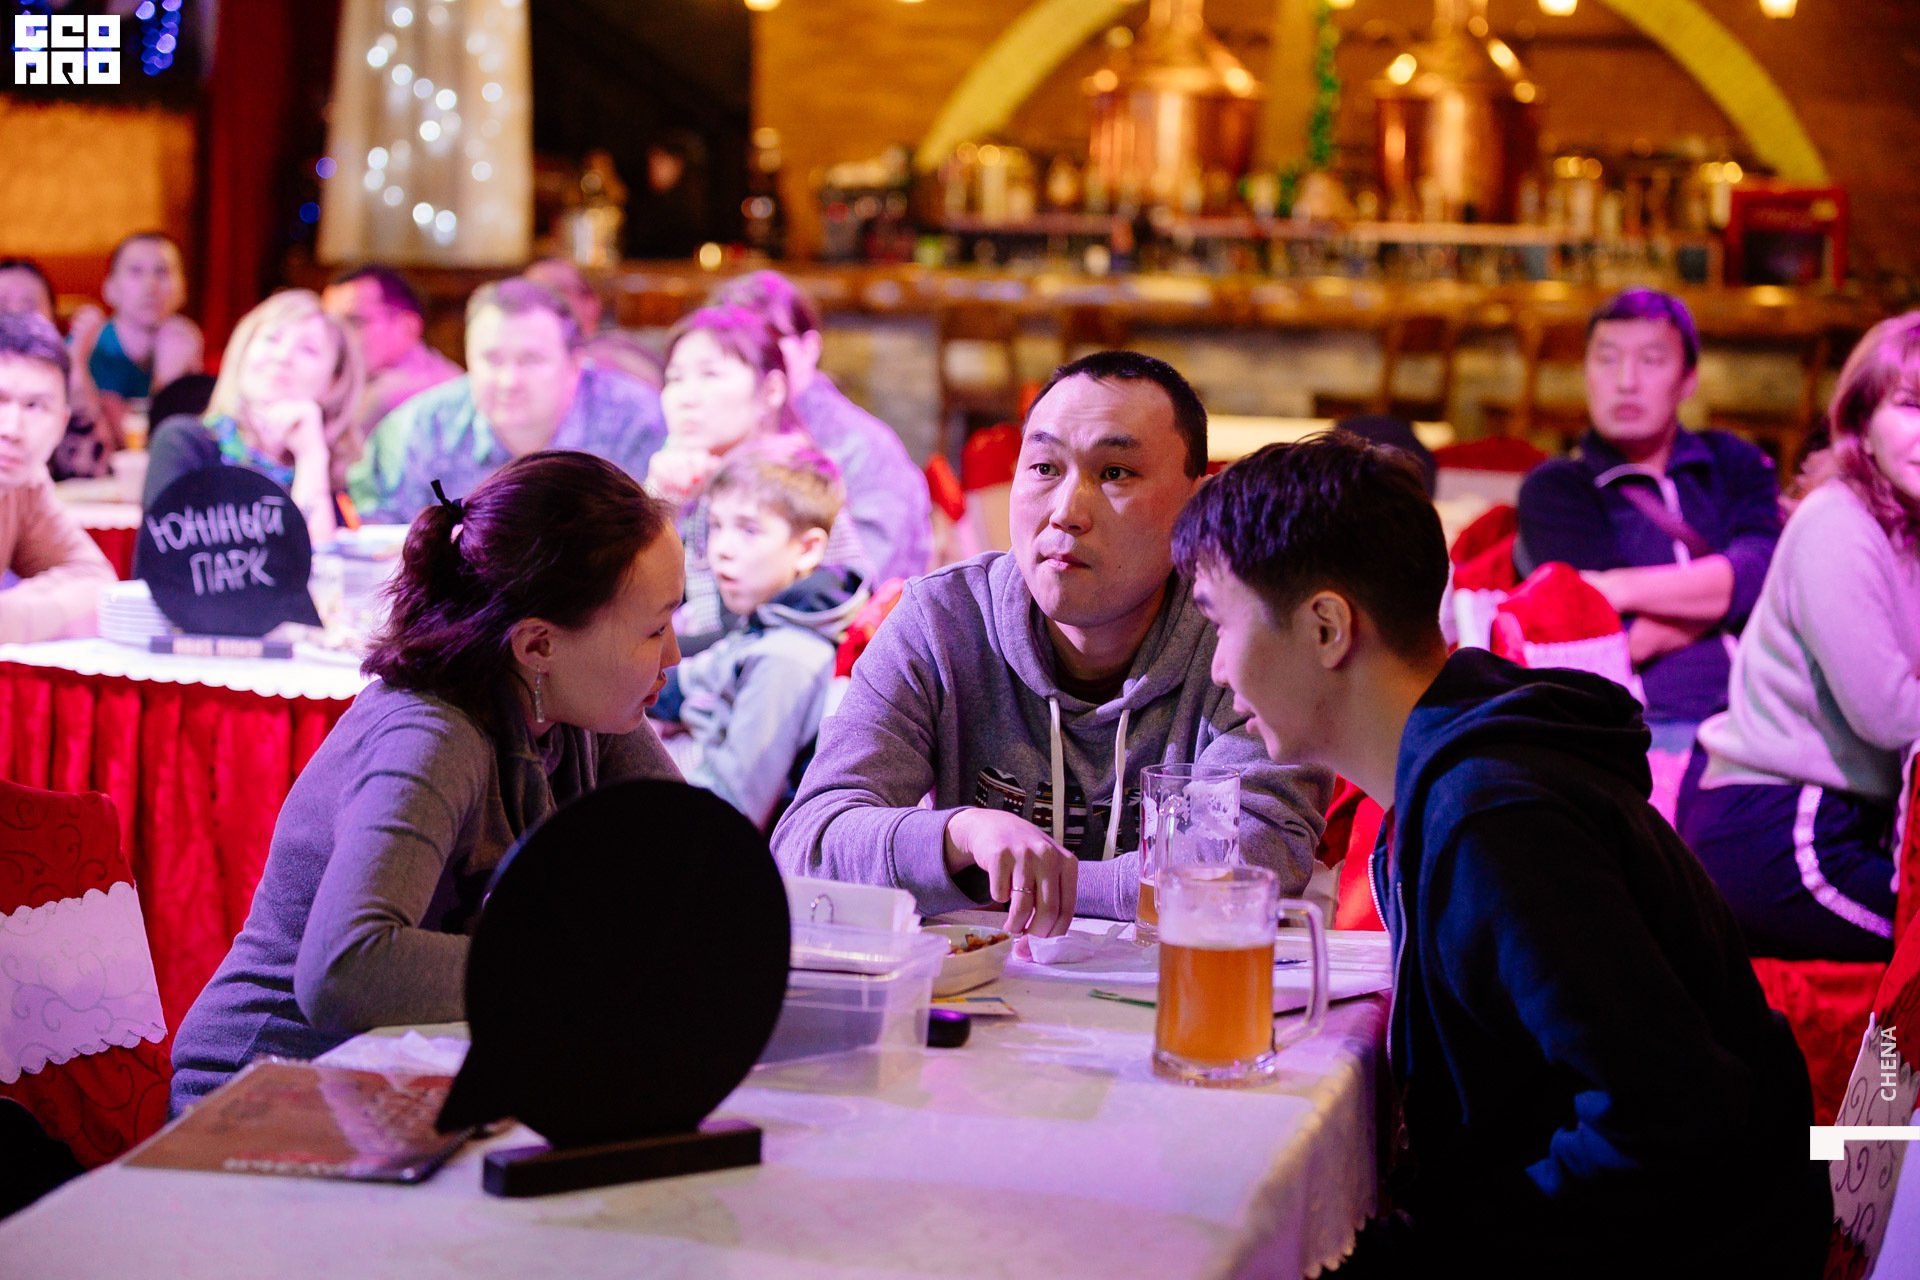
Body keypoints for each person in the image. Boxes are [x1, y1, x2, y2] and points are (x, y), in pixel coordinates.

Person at [1174, 431, 1827, 1275]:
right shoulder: (1451, 774)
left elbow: (1668, 1121)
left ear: (1327, 626)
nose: (1219, 671)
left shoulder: (1496, 817)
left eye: (1219, 625)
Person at [169, 452, 685, 1112]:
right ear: (538, 645)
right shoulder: (431, 734)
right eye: (654, 629)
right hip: (268, 1093)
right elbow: (344, 969)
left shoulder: (578, 702)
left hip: (411, 1080)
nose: (673, 655)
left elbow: (693, 868)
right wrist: (579, 970)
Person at [771, 352, 1329, 934]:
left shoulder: (1245, 641)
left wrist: (1021, 884)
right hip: (988, 988)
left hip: (1182, 985)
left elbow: (1256, 859)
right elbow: (807, 844)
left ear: (1197, 504)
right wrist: (960, 836)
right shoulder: (942, 621)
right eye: (1043, 467)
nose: (1066, 512)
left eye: (1116, 473)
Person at [1679, 314, 1920, 963]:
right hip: (1780, 824)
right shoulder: (1838, 522)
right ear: (1862, 421)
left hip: (1843, 821)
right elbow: (1889, 712)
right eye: (1911, 406)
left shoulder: (1908, 529)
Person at [1516, 289, 1780, 738]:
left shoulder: (1734, 461)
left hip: (1769, 715)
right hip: (1645, 730)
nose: (1626, 382)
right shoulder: (1557, 488)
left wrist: (1617, 586)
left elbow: (1765, 570)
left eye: (1652, 360)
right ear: (1585, 372)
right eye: (1607, 359)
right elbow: (1609, 638)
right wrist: (1730, 595)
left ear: (1689, 379)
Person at [649, 443, 868, 828]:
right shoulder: (768, 620)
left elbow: (731, 809)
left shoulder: (787, 656)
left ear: (807, 549)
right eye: (716, 526)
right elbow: (681, 686)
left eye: (749, 530)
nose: (722, 549)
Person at [349, 278, 667, 523]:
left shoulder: (636, 421)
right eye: (491, 359)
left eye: (530, 360)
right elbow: (375, 540)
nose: (509, 381)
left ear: (575, 364)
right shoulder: (421, 427)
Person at [652, 304, 869, 653]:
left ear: (771, 390)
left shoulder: (794, 480)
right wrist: (658, 501)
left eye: (710, 375)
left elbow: (834, 617)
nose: (685, 398)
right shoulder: (686, 480)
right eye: (675, 378)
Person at [712, 270, 933, 583]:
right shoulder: (714, 431)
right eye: (732, 348)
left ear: (809, 348)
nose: (753, 358)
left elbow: (869, 583)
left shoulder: (862, 448)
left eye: (767, 342)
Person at [143, 290, 363, 545]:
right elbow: (168, 556)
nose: (282, 356)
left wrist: (311, 458)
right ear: (244, 351)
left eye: (308, 349)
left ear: (334, 381)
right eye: (271, 339)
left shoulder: (338, 469)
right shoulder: (185, 443)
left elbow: (321, 562)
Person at [0, 311, 116, 641]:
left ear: (61, 424)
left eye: (35, 406)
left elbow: (94, 581)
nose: (12, 429)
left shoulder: (25, 484)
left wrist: (10, 618)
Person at [67, 231, 204, 444]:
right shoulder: (88, 344)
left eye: (162, 272)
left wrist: (173, 378)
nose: (150, 285)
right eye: (135, 271)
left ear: (183, 289)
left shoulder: (185, 342)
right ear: (109, 289)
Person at [320, 265, 463, 452]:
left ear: (408, 327)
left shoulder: (398, 396)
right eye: (330, 325)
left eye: (354, 321)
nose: (335, 337)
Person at [0, 256, 113, 481]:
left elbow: (91, 470)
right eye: (2, 306)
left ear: (52, 317)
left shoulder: (53, 382)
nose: (16, 316)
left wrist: (75, 365)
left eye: (29, 306)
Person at [523, 257, 663, 389]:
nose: (535, 306)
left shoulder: (612, 358)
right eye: (528, 295)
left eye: (550, 292)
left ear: (591, 302)